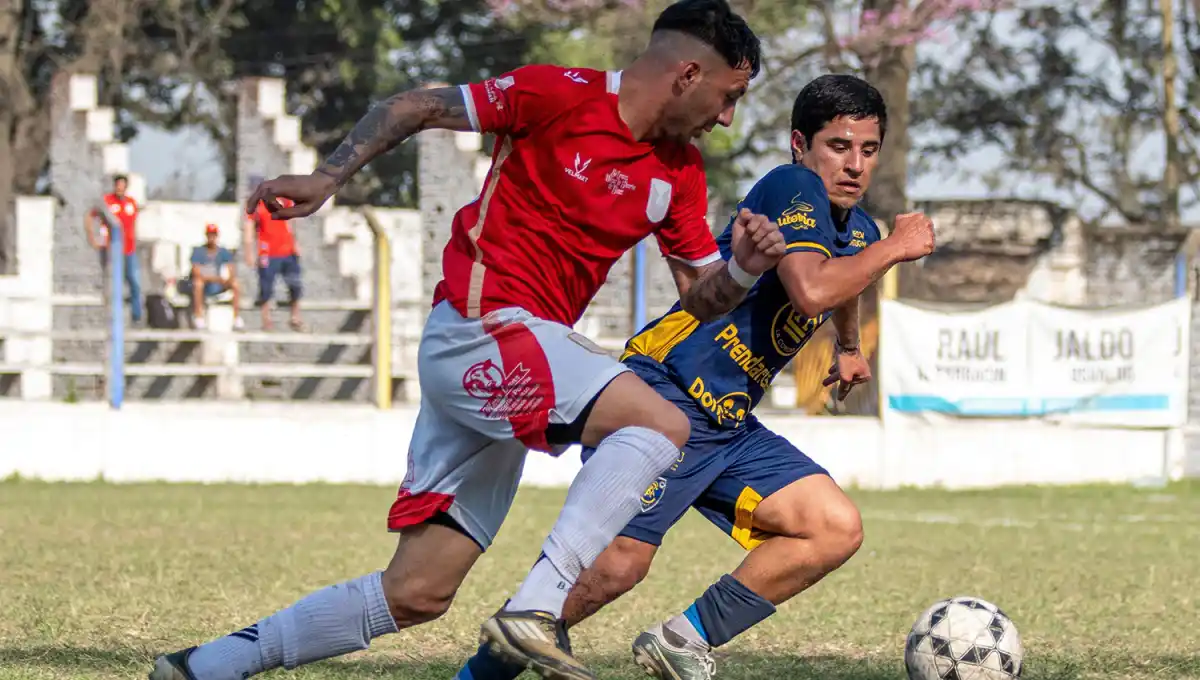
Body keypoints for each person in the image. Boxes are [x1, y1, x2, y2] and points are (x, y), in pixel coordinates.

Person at [148, 2, 781, 680]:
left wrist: (743, 267)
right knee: (660, 424)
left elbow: (697, 296)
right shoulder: (555, 94)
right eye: (729, 97)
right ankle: (537, 608)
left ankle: (207, 666)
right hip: (479, 330)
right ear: (689, 73)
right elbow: (414, 105)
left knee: (418, 591)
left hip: (520, 358)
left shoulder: (678, 173)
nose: (726, 119)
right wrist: (327, 177)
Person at [453, 74, 937, 680]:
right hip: (667, 394)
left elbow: (845, 277)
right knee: (615, 569)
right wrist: (895, 248)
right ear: (800, 143)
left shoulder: (859, 228)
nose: (854, 164)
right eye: (838, 145)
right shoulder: (793, 186)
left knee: (832, 527)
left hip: (729, 422)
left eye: (868, 149)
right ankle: (477, 674)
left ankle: (682, 638)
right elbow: (812, 289)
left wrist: (846, 346)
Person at [85, 174, 143, 324]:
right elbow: (90, 215)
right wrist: (93, 238)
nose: (120, 188)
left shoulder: (131, 203)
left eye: (122, 185)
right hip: (111, 250)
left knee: (134, 281)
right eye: (118, 184)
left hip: (128, 250)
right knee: (111, 281)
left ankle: (137, 315)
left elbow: (133, 224)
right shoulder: (107, 201)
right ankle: (108, 312)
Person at [245, 198, 305, 331]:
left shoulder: (285, 201)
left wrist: (296, 243)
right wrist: (249, 251)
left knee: (295, 284)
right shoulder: (256, 204)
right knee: (266, 288)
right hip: (267, 252)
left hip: (287, 250)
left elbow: (291, 222)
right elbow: (249, 228)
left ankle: (295, 317)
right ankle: (267, 321)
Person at [181, 224, 244, 330]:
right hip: (204, 282)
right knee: (198, 283)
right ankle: (198, 316)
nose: (211, 237)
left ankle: (236, 317)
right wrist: (215, 278)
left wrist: (228, 279)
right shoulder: (198, 251)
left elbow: (231, 269)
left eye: (213, 235)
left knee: (236, 284)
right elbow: (196, 272)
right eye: (209, 235)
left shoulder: (223, 252)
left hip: (217, 282)